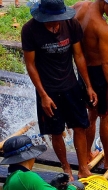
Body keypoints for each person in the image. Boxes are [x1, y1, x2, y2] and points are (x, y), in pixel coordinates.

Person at [21, 0, 98, 179]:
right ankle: (66, 169)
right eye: (51, 20)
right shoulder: (30, 30)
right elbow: (30, 65)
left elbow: (78, 55)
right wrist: (43, 95)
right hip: (48, 90)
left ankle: (83, 167)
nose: (55, 24)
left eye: (58, 19)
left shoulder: (71, 24)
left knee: (80, 126)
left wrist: (88, 85)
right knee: (56, 131)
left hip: (71, 85)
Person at [72, 0, 108, 169]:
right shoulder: (102, 27)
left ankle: (88, 153)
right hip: (98, 73)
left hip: (83, 71)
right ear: (106, 2)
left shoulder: (78, 7)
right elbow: (106, 63)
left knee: (91, 114)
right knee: (105, 116)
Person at [1, 135, 85, 190]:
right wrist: (73, 187)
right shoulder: (27, 177)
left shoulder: (8, 185)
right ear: (31, 156)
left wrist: (52, 187)